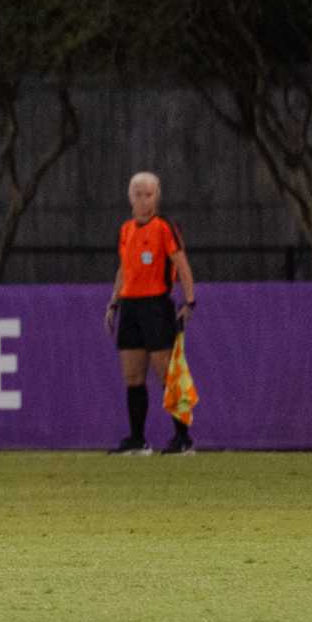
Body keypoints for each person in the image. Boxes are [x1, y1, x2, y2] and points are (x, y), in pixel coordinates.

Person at [103, 171, 196, 455]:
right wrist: (113, 302)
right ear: (130, 197)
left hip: (156, 305)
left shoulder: (163, 227)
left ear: (157, 197)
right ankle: (137, 439)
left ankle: (183, 438)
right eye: (139, 194)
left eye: (150, 194)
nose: (144, 200)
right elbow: (124, 269)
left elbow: (181, 264)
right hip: (130, 307)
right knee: (133, 376)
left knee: (166, 373)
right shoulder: (126, 229)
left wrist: (189, 301)